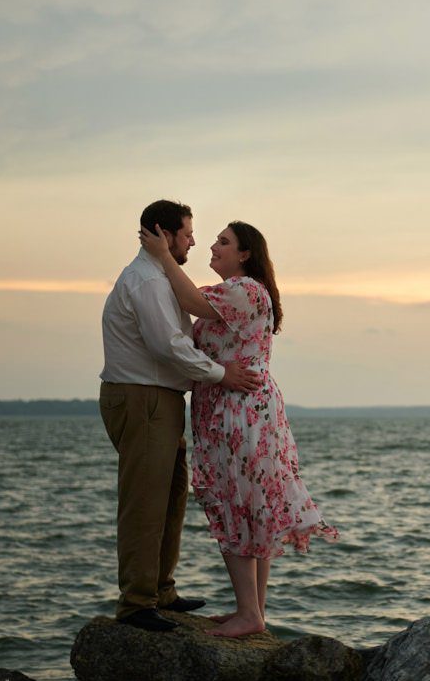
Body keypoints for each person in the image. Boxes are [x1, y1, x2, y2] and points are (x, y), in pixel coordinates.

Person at [140, 219, 338, 638]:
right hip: (237, 409)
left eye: (223, 242)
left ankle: (250, 612)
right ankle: (253, 612)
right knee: (251, 505)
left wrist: (161, 257)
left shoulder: (244, 290)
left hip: (238, 411)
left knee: (236, 503)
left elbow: (190, 299)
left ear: (245, 254)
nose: (212, 246)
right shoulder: (234, 292)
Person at [99, 200, 262, 633]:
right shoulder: (148, 280)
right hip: (143, 397)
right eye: (188, 232)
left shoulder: (160, 276)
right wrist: (221, 374)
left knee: (170, 495)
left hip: (160, 399)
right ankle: (137, 603)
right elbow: (168, 346)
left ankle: (160, 591)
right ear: (164, 233)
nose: (194, 239)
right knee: (145, 500)